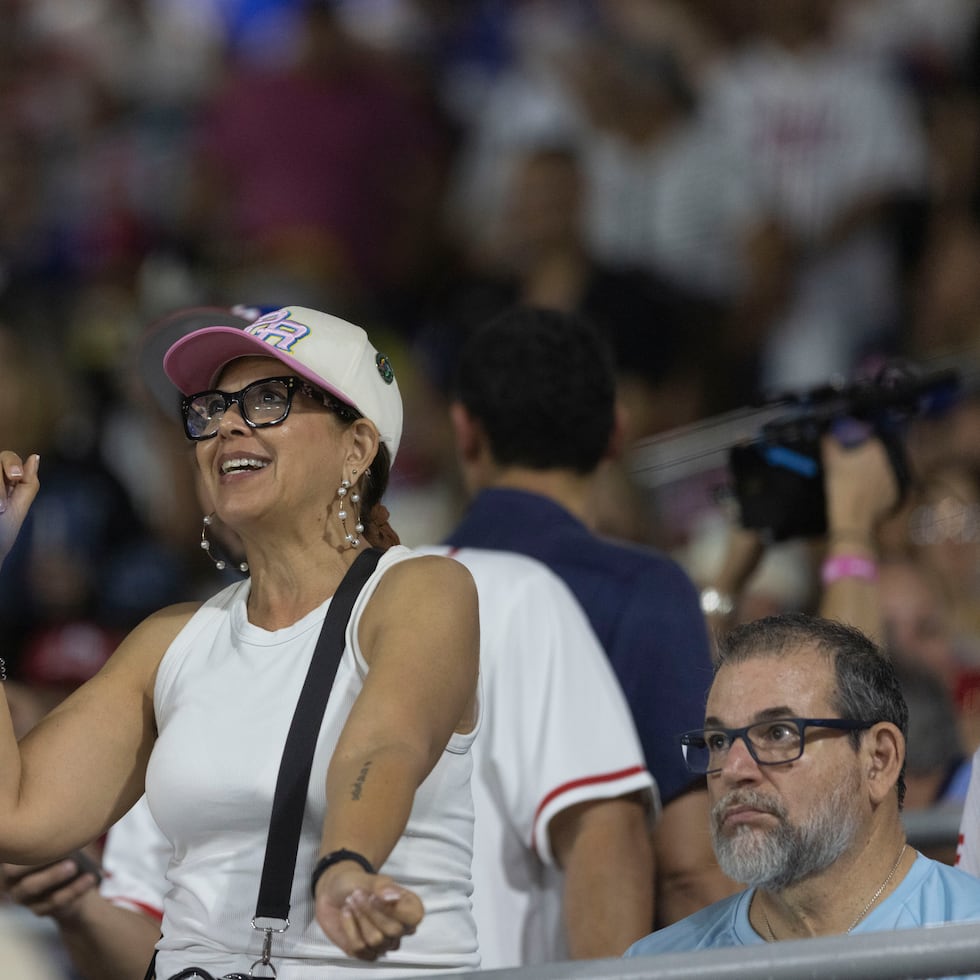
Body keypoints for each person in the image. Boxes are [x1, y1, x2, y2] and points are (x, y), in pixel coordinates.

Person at [0, 304, 482, 976]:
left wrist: (346, 865)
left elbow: (387, 741)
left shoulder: (422, 589)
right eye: (211, 407)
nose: (225, 424)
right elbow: (16, 818)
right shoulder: (169, 640)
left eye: (267, 399)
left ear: (358, 447)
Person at [445, 304, 734, 924]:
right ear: (615, 433)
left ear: (466, 430)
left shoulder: (386, 587)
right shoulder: (644, 590)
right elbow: (690, 868)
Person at [625, 612, 980, 959]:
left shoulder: (968, 938)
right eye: (718, 741)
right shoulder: (659, 966)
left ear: (879, 759)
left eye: (778, 733)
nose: (733, 769)